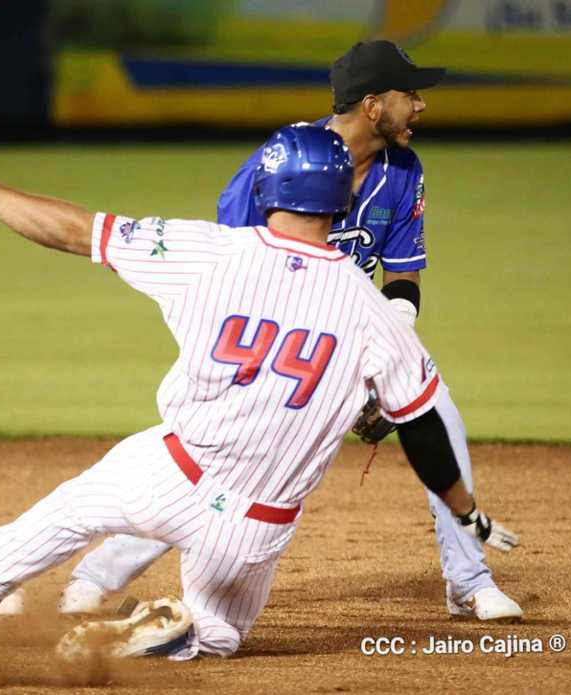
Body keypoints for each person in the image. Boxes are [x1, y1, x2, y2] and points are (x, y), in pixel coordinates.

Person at [0, 124, 519, 659]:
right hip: (253, 530)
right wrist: (466, 512)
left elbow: (70, 230)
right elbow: (425, 429)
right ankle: (179, 639)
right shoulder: (375, 314)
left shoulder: (207, 250)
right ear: (343, 197)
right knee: (218, 636)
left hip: (167, 476)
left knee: (74, 508)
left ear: (268, 188)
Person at [62, 40, 524, 622]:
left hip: (354, 334)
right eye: (412, 94)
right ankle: (97, 576)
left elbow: (402, 276)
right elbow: (235, 262)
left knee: (438, 415)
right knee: (221, 459)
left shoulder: (404, 170)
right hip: (268, 336)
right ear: (374, 104)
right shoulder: (285, 159)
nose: (422, 106)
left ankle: (469, 580)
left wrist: (384, 365)